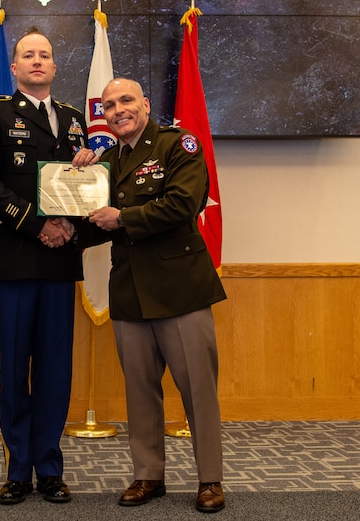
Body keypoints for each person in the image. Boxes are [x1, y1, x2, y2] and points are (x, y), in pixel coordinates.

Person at [72, 77, 227, 514]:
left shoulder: (179, 146)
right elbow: (93, 217)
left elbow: (184, 204)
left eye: (126, 100)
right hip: (130, 290)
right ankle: (148, 475)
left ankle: (210, 479)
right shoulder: (110, 160)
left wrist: (123, 218)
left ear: (144, 104)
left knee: (198, 390)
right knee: (140, 391)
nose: (118, 109)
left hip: (179, 290)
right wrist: (76, 180)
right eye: (108, 104)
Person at [0, 28, 94, 505]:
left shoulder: (76, 120)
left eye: (45, 55)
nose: (37, 61)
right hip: (14, 261)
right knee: (15, 370)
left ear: (56, 68)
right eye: (27, 55)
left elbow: (87, 190)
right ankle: (19, 469)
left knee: (57, 372)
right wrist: (36, 224)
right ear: (14, 68)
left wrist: (86, 175)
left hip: (60, 263)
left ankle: (51, 468)